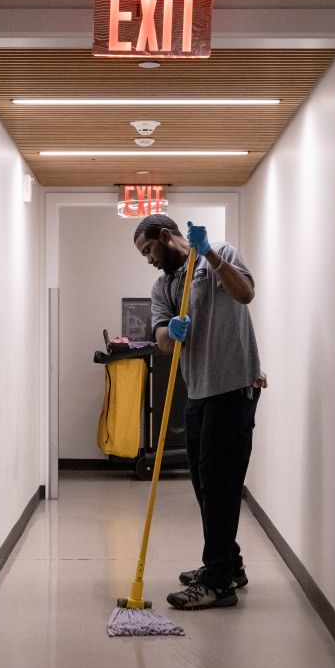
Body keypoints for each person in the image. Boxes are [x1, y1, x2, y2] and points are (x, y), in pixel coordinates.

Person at [133, 215, 264, 610]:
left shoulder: (219, 256)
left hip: (233, 388)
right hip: (198, 393)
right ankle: (229, 563)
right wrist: (168, 332)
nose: (149, 260)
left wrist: (207, 252)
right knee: (204, 485)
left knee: (220, 484)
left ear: (165, 237)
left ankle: (218, 581)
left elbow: (245, 295)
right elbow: (160, 341)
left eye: (148, 250)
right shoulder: (163, 286)